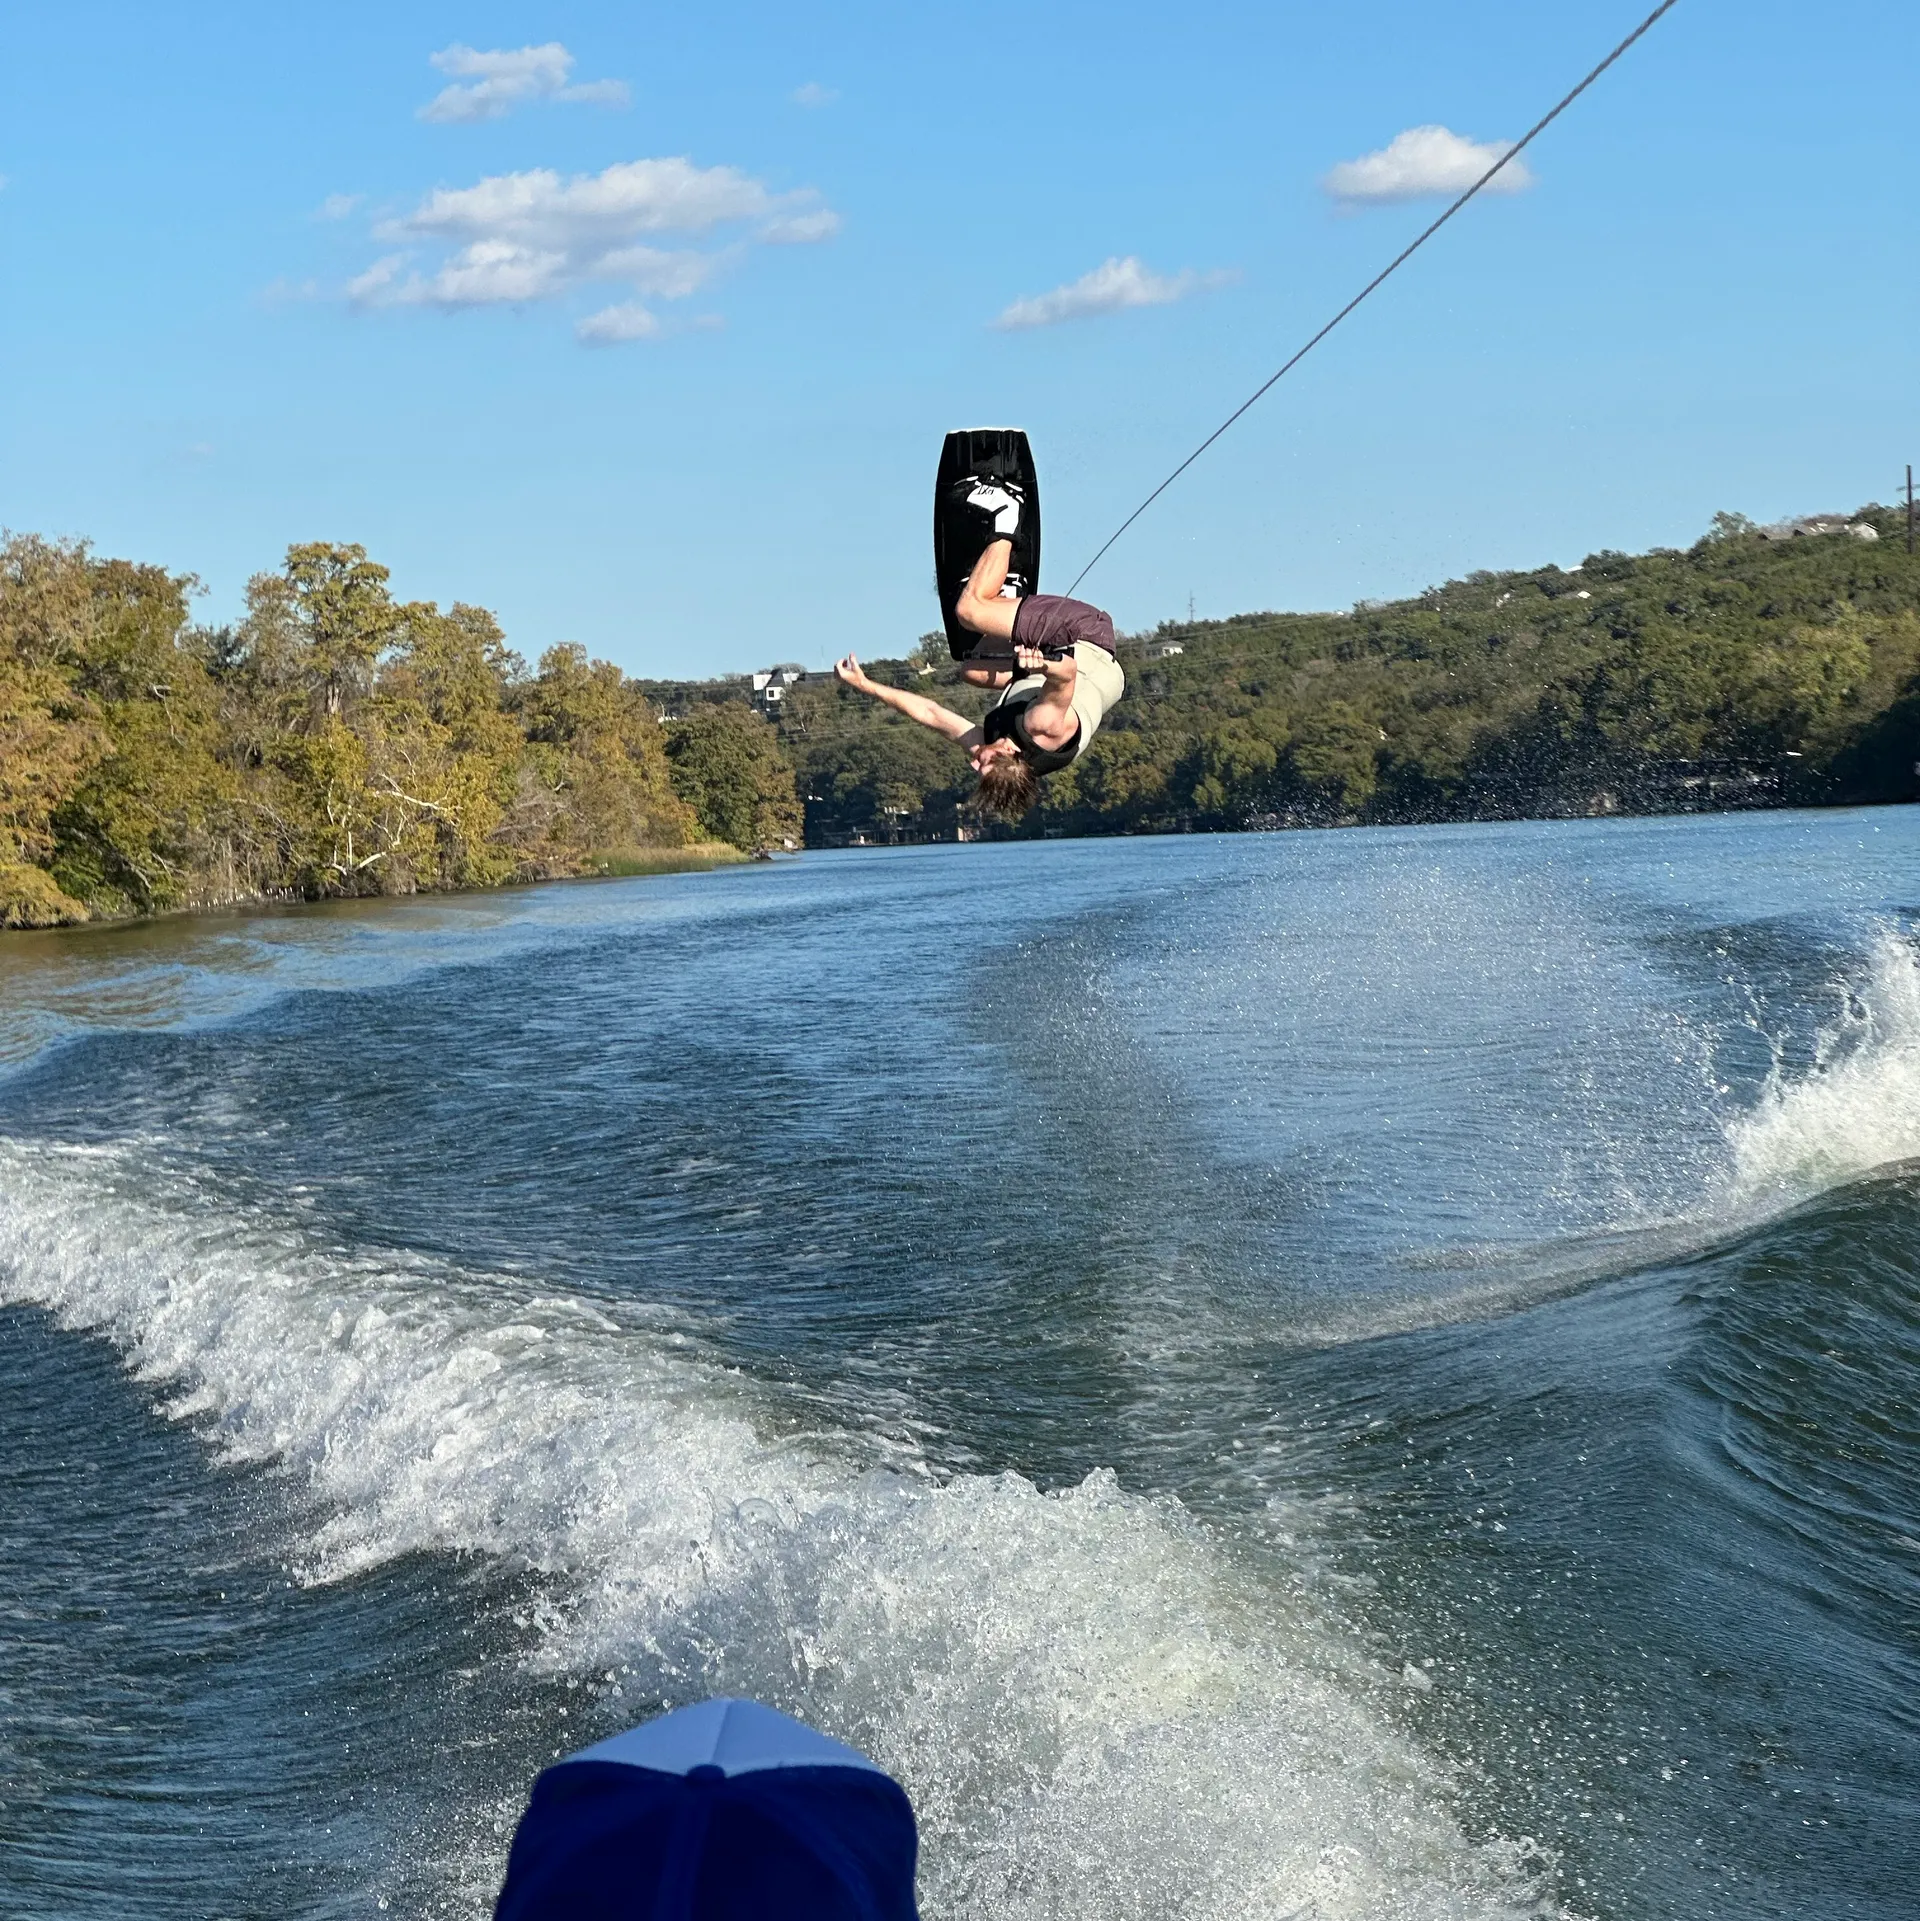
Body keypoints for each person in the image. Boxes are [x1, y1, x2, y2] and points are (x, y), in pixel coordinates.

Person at [834, 488, 1125, 819]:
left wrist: (866, 685)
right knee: (969, 611)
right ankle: (1007, 514)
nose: (974, 762)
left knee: (971, 670)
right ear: (1004, 755)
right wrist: (1043, 663)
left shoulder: (998, 747)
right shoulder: (1043, 727)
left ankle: (1007, 598)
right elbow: (1066, 674)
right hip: (1082, 634)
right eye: (982, 765)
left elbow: (931, 714)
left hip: (1044, 666)